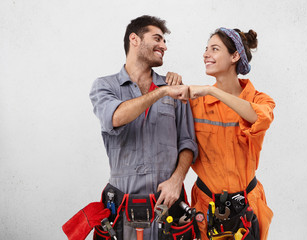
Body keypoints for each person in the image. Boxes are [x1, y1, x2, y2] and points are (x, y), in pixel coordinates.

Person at [89, 15, 197, 240]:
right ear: (134, 39)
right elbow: (116, 117)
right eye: (157, 38)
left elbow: (188, 142)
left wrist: (177, 180)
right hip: (121, 206)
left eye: (165, 41)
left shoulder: (175, 88)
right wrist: (161, 92)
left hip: (166, 203)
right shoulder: (104, 86)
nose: (164, 46)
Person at [188, 28, 275, 239]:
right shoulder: (195, 103)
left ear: (235, 56)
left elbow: (258, 117)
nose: (206, 54)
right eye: (206, 49)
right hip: (205, 206)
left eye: (214, 49)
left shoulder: (260, 100)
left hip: (247, 206)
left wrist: (212, 90)